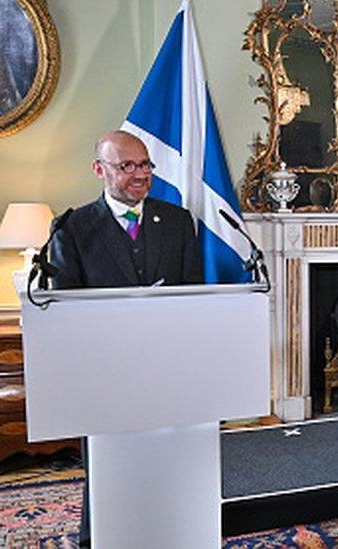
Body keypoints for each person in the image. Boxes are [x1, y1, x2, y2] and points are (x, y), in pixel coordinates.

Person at [49, 130, 203, 546]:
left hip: (166, 369)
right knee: (108, 467)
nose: (140, 175)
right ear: (100, 169)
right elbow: (65, 309)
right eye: (127, 166)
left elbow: (194, 296)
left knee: (171, 464)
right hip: (105, 375)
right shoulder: (72, 227)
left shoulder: (177, 220)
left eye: (145, 165)